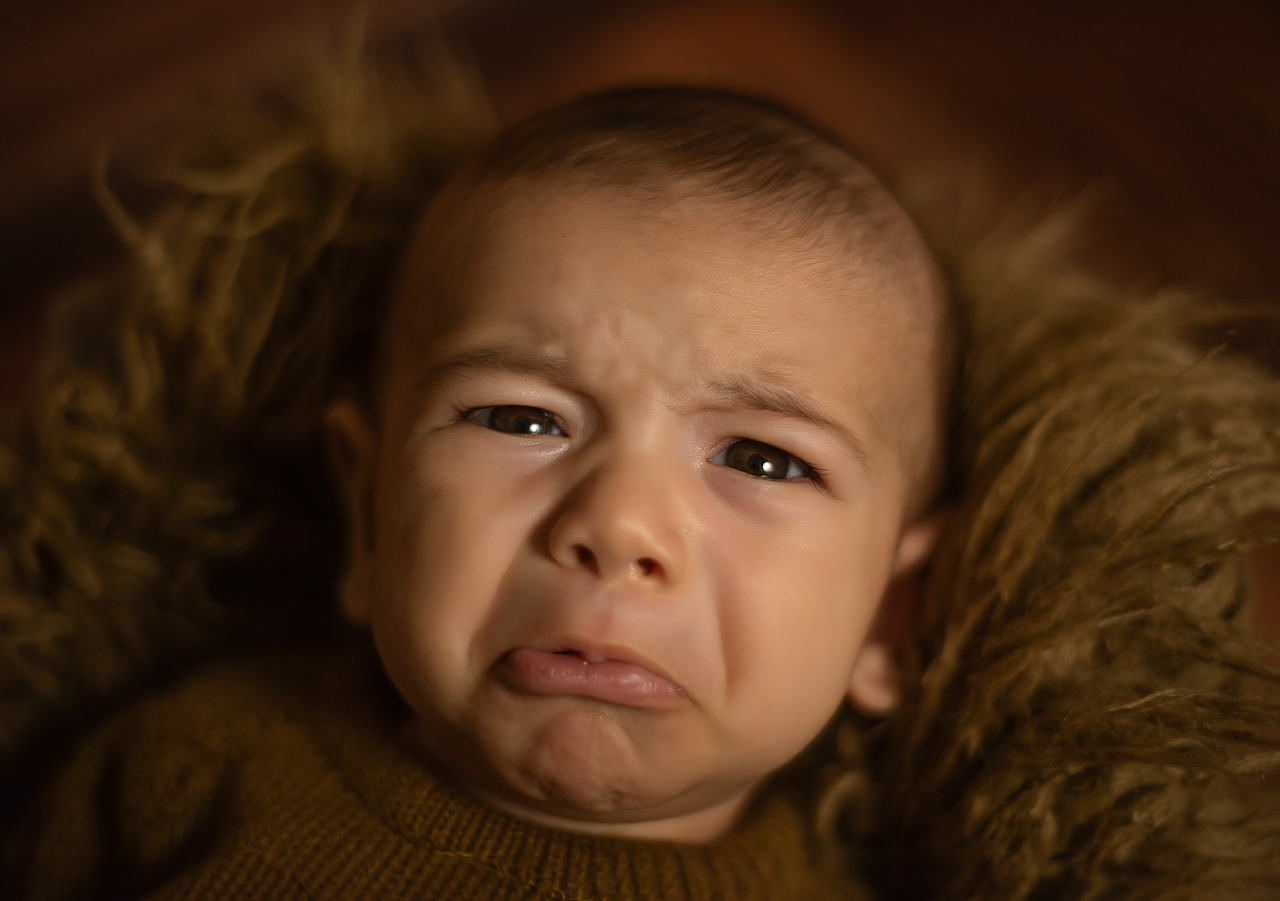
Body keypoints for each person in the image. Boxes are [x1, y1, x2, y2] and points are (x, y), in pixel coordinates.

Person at [4, 87, 954, 899]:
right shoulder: (191, 769)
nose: (617, 523)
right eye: (520, 421)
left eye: (762, 458)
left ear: (886, 616)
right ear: (368, 514)